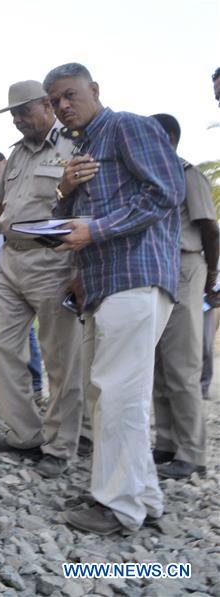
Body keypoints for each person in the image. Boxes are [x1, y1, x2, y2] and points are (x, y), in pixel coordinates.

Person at [44, 63, 184, 535]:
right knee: (114, 392)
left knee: (118, 392)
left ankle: (118, 507)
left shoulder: (127, 125)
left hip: (135, 275)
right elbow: (76, 222)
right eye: (55, 100)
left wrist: (96, 229)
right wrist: (65, 192)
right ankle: (141, 496)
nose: (63, 106)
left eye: (69, 95)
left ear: (94, 90)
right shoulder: (83, 149)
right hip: (106, 283)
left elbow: (166, 191)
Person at [0, 81, 84, 478]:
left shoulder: (74, 144)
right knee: (1, 347)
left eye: (25, 111)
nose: (20, 120)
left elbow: (85, 205)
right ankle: (25, 434)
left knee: (61, 360)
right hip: (11, 262)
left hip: (53, 260)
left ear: (47, 106)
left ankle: (59, 446)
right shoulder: (18, 154)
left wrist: (79, 270)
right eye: (14, 114)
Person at [150, 113, 218, 479]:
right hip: (156, 270)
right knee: (159, 363)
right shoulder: (148, 174)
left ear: (170, 138)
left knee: (181, 366)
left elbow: (209, 228)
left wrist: (212, 275)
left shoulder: (187, 173)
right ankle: (166, 443)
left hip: (184, 267)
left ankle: (192, 453)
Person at [0, 150, 44, 395]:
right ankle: (16, 389)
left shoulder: (16, 190)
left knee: (27, 332)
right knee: (1, 333)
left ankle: (36, 383)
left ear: (4, 163)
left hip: (23, 267)